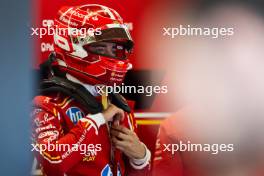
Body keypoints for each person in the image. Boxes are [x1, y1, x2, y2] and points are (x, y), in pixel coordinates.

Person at [31, 4, 151, 176]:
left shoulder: (119, 106)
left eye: (115, 49)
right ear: (70, 45)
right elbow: (53, 162)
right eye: (101, 48)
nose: (112, 56)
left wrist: (141, 157)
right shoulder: (46, 105)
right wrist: (98, 120)